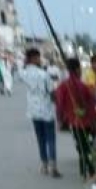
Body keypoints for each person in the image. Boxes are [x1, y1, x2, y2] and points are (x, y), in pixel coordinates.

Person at [55, 55, 96, 180]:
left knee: (81, 147)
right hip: (86, 122)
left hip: (74, 122)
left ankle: (84, 171)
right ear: (77, 69)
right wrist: (94, 120)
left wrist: (60, 120)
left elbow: (59, 104)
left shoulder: (63, 85)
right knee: (87, 147)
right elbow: (92, 102)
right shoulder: (82, 85)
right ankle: (90, 172)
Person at [21, 47, 59, 176]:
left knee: (40, 138)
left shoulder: (24, 73)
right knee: (50, 138)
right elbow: (52, 93)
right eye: (38, 57)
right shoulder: (43, 74)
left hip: (33, 110)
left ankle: (44, 165)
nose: (40, 60)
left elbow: (21, 71)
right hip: (46, 110)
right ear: (34, 58)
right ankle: (53, 166)